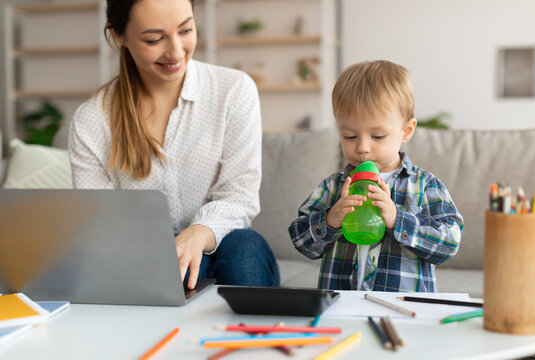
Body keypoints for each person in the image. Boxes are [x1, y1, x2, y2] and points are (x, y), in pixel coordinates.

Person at [68, 0, 279, 289]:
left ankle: (249, 333)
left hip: (227, 249)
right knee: (173, 268)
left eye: (186, 30)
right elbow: (104, 225)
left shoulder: (233, 91)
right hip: (145, 259)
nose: (176, 52)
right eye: (154, 39)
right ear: (119, 36)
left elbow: (239, 197)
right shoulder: (92, 120)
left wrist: (198, 234)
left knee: (243, 245)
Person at [288, 60, 463, 291]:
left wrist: (397, 218)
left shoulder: (425, 185)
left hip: (404, 309)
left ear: (406, 131)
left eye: (378, 136)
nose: (362, 148)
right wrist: (331, 219)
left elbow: (449, 243)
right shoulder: (333, 187)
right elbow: (300, 239)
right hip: (342, 307)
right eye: (350, 136)